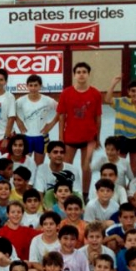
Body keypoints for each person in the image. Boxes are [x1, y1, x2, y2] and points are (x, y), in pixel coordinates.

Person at [57, 62, 102, 199]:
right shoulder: (66, 93)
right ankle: (65, 194)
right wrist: (61, 137)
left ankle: (85, 195)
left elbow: (98, 118)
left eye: (84, 72)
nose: (81, 74)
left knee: (86, 168)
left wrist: (97, 138)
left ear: (88, 74)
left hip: (89, 138)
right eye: (78, 72)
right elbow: (62, 116)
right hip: (70, 137)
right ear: (74, 75)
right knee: (66, 167)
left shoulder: (95, 93)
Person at [104, 75, 136, 175]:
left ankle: (132, 186)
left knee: (134, 167)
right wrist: (113, 84)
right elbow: (107, 100)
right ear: (128, 92)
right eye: (133, 91)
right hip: (121, 139)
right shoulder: (122, 102)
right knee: (119, 166)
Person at [15, 74, 58, 165]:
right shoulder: (21, 100)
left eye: (35, 85)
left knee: (38, 166)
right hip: (26, 137)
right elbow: (11, 111)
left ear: (40, 86)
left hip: (41, 137)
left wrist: (51, 124)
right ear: (27, 86)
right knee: (24, 165)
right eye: (31, 85)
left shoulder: (47, 100)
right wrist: (20, 123)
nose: (33, 88)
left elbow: (61, 111)